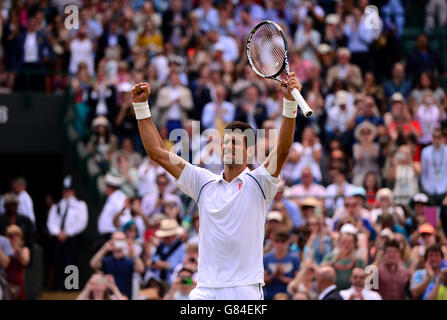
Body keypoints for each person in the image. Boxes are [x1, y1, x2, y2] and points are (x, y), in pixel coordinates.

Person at [130, 72, 301, 299]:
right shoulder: (203, 182)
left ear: (250, 151)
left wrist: (289, 102)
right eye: (226, 141)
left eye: (236, 142)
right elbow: (158, 154)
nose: (229, 146)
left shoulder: (260, 182)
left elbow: (282, 150)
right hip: (206, 289)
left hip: (245, 289)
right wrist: (141, 106)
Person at [47, 175, 88, 290]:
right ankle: (59, 286)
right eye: (65, 190)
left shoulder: (80, 205)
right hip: (59, 238)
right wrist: (58, 233)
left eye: (69, 190)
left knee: (71, 263)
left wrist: (68, 233)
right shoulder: (57, 206)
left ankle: (71, 287)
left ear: (73, 191)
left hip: (72, 239)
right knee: (58, 262)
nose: (66, 193)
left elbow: (82, 223)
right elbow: (51, 222)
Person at [90, 231, 145, 300]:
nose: (119, 242)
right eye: (116, 240)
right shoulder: (107, 261)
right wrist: (105, 249)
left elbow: (141, 269)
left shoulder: (129, 261)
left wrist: (133, 253)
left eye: (121, 240)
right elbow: (93, 264)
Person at [146, 219, 186, 286]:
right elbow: (153, 260)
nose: (166, 238)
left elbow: (185, 267)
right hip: (159, 285)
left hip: (175, 284)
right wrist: (152, 264)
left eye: (168, 236)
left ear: (174, 235)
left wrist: (167, 266)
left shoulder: (183, 247)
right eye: (164, 236)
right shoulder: (160, 247)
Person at [263, 231, 301, 300]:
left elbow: (297, 281)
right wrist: (274, 275)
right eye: (277, 241)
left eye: (283, 241)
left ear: (288, 242)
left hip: (288, 296)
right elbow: (263, 281)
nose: (279, 244)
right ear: (273, 242)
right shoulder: (266, 258)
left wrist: (281, 277)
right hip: (269, 296)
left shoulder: (294, 258)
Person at [421, 128, 447, 206]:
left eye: (438, 137)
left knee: (444, 215)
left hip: (444, 187)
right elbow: (424, 171)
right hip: (430, 188)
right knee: (431, 215)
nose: (436, 140)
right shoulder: (426, 151)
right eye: (434, 137)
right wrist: (425, 185)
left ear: (442, 138)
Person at [97, 174, 127, 239]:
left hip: (113, 235)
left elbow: (122, 216)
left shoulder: (119, 198)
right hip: (107, 235)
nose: (106, 188)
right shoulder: (111, 198)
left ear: (110, 187)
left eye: (107, 186)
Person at [5, 225, 30, 300]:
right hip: (5, 284)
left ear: (20, 237)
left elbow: (24, 262)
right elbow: (5, 264)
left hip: (18, 285)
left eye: (16, 235)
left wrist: (17, 249)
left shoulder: (24, 249)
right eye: (10, 235)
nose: (13, 238)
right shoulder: (3, 250)